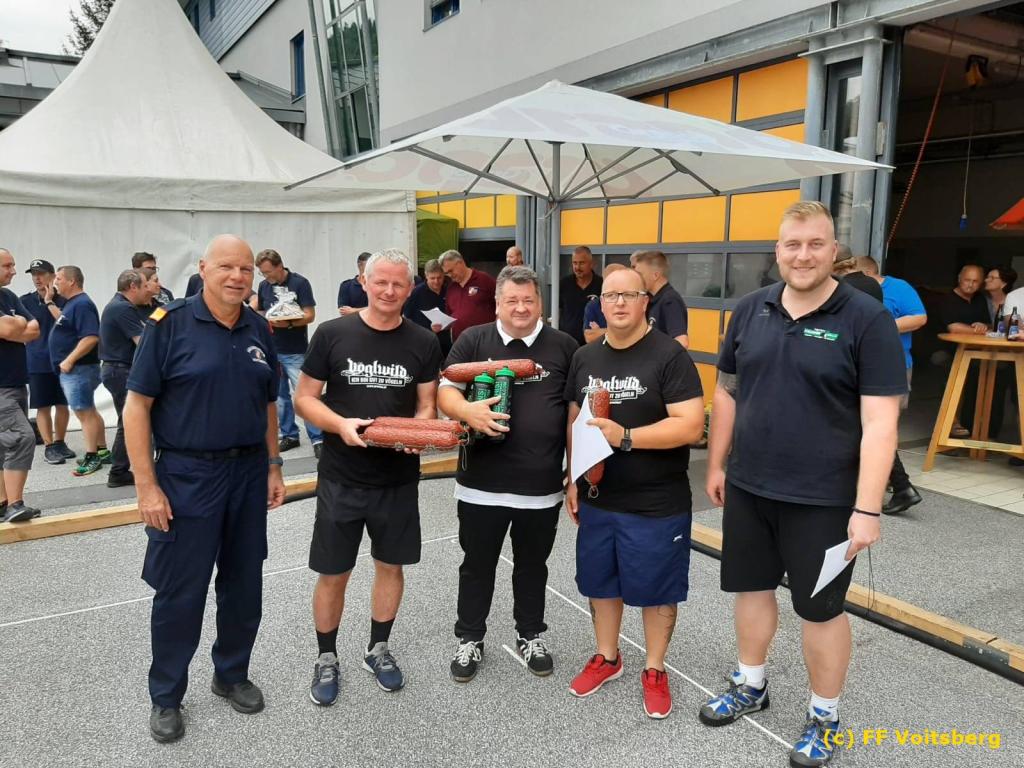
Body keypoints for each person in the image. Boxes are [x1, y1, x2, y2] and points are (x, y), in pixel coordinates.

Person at [700, 202, 905, 768]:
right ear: (778, 251)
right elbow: (727, 392)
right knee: (751, 590)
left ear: (834, 250)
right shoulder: (750, 309)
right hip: (750, 487)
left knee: (820, 612)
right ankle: (751, 683)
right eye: (793, 244)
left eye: (816, 244)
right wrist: (716, 465)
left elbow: (881, 423)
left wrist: (868, 509)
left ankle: (824, 716)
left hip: (825, 500)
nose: (803, 255)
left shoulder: (866, 319)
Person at [125, 234, 284, 744]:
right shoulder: (169, 324)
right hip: (187, 476)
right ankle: (167, 695)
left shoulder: (258, 327)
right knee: (181, 591)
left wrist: (274, 465)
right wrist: (146, 487)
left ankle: (231, 674)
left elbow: (267, 404)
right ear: (203, 268)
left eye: (246, 269)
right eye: (226, 267)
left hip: (247, 474)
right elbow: (136, 407)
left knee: (244, 583)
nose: (237, 276)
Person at [294, 249, 441, 706]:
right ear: (364, 282)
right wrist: (339, 424)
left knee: (390, 566)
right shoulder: (332, 333)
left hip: (397, 478)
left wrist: (419, 433)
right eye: (381, 282)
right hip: (342, 476)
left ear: (410, 288)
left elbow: (427, 404)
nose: (389, 291)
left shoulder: (423, 341)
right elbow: (305, 398)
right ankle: (326, 656)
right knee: (334, 571)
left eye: (399, 284)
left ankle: (378, 648)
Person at [563, 267, 704, 719]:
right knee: (601, 583)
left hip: (656, 500)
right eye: (610, 296)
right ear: (600, 304)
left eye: (629, 295)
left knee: (657, 589)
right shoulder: (585, 357)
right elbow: (574, 420)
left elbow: (690, 425)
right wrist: (573, 477)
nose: (619, 303)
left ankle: (655, 668)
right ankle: (608, 657)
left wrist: (625, 437)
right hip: (599, 497)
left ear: (646, 301)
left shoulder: (669, 356)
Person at [438, 265, 578, 683]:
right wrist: (467, 410)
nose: (520, 308)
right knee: (476, 565)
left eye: (528, 300)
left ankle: (530, 634)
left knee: (533, 566)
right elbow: (446, 390)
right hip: (481, 484)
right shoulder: (473, 340)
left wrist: (574, 474)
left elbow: (575, 416)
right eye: (511, 300)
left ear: (540, 304)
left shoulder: (563, 346)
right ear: (497, 303)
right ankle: (469, 638)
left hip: (540, 486)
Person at [855, 257, 927, 515]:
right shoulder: (856, 290)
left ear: (865, 273)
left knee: (875, 426)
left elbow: (920, 318)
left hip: (889, 365)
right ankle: (899, 485)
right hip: (865, 363)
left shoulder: (897, 288)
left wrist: (880, 326)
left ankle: (899, 485)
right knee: (866, 425)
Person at [252, 249, 323, 457]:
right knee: (280, 397)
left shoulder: (299, 283)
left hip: (295, 350)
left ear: (279, 266)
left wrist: (289, 322)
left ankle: (317, 438)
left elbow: (310, 315)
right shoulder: (264, 286)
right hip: (271, 350)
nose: (266, 277)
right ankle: (289, 435)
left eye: (268, 272)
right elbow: (262, 310)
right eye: (262, 273)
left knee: (305, 395)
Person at [49, 265, 109, 477]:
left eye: (58, 278)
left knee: (83, 412)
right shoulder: (72, 304)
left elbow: (91, 336)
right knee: (89, 410)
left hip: (79, 369)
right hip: (78, 369)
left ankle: (92, 457)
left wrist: (69, 360)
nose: (55, 282)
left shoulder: (82, 304)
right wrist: (49, 301)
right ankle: (101, 450)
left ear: (71, 281)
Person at [19, 259, 75, 465]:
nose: (37, 278)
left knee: (62, 403)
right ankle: (49, 446)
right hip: (37, 360)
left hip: (63, 360)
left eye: (41, 273)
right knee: (43, 405)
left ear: (53, 276)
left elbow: (69, 325)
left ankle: (60, 442)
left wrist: (50, 300)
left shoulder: (65, 299)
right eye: (34, 274)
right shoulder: (25, 301)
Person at [0, 248, 42, 523]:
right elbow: (9, 329)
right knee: (21, 437)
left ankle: (3, 504)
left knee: (4, 444)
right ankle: (15, 504)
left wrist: (15, 324)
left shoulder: (8, 297)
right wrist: (17, 324)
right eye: (7, 265)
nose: (14, 271)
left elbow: (34, 329)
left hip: (15, 382)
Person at [99, 269, 150, 488]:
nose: (147, 290)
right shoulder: (123, 308)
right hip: (120, 370)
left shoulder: (119, 305)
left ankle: (121, 469)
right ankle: (118, 471)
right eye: (144, 285)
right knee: (130, 420)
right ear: (132, 286)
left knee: (128, 419)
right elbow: (143, 342)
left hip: (115, 369)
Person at [940, 265, 990, 439]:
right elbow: (953, 328)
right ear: (959, 279)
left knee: (986, 373)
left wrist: (983, 326)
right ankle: (951, 422)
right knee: (954, 377)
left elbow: (989, 325)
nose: (970, 284)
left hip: (973, 350)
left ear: (981, 283)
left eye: (975, 281)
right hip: (946, 350)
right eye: (967, 280)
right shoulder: (947, 299)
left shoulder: (980, 299)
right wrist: (979, 330)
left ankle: (977, 425)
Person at [633, 250, 688, 347]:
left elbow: (682, 342)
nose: (637, 279)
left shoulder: (670, 300)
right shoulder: (651, 298)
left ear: (655, 275)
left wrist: (658, 356)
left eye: (640, 275)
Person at [440, 249, 497, 341]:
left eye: (451, 271)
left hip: (485, 340)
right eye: (447, 273)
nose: (450, 275)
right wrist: (441, 325)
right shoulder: (451, 288)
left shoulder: (484, 279)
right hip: (460, 343)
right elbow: (451, 316)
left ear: (461, 262)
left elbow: (502, 302)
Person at [402, 258, 452, 357]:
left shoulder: (448, 290)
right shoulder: (417, 292)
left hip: (445, 342)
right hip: (422, 342)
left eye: (439, 278)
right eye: (432, 278)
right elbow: (406, 317)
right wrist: (428, 328)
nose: (436, 281)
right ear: (426, 275)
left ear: (444, 275)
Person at [558, 246, 602, 347]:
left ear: (592, 264)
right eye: (575, 263)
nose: (577, 267)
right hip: (567, 344)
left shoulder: (601, 284)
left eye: (582, 263)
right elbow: (558, 311)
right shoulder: (564, 284)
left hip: (593, 344)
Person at [582, 263, 627, 343]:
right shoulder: (594, 306)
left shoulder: (633, 301)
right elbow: (589, 337)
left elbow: (637, 332)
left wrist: (600, 331)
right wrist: (622, 331)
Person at [337, 251, 371, 315]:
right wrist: (369, 309)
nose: (371, 268)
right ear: (359, 265)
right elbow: (343, 311)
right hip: (352, 321)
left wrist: (354, 310)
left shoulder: (378, 285)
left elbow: (380, 308)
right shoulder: (346, 286)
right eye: (369, 265)